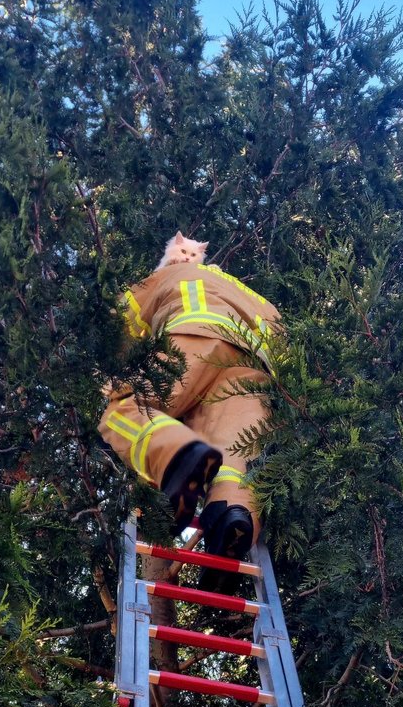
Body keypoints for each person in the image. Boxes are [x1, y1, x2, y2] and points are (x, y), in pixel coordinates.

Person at [99, 232, 280, 566]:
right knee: (235, 453)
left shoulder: (170, 272)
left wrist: (110, 369)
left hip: (194, 339)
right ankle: (231, 518)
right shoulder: (249, 293)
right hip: (253, 367)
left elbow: (119, 320)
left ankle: (177, 456)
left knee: (123, 406)